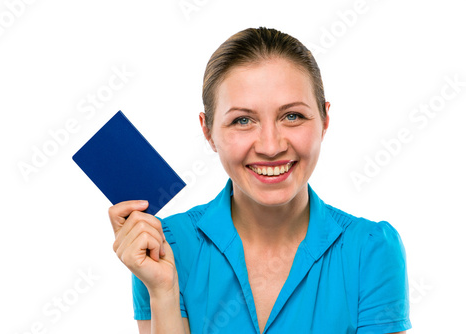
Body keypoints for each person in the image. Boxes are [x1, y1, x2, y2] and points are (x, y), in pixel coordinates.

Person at [108, 27, 411, 334]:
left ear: (324, 120)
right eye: (243, 120)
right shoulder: (166, 246)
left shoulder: (371, 250)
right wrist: (163, 293)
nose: (271, 146)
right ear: (208, 131)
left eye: (292, 116)